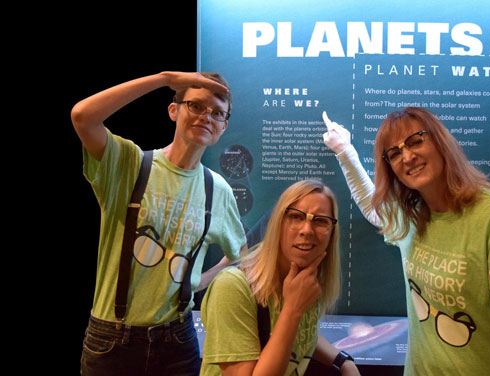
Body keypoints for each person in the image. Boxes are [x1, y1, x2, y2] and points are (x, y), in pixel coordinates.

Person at [321, 108, 490, 375]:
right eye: (394, 153)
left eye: (415, 140)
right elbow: (372, 207)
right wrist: (344, 150)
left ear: (440, 141)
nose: (407, 157)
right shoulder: (412, 215)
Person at [71, 71, 248, 376]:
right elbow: (82, 116)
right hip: (113, 341)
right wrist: (165, 79)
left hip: (177, 341)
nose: (206, 117)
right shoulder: (130, 164)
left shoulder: (216, 190)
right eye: (196, 106)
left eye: (217, 113)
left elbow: (240, 255)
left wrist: (193, 282)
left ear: (223, 126)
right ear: (173, 110)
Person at [199, 180, 361, 376]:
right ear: (278, 223)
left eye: (320, 221)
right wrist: (292, 309)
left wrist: (343, 361)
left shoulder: (304, 279)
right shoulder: (233, 287)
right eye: (295, 216)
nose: (307, 230)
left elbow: (301, 334)